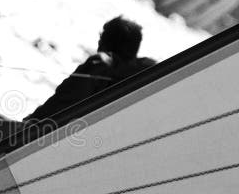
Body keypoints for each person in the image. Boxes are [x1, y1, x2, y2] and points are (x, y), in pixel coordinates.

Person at [24, 16, 156, 127]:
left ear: (107, 41)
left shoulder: (99, 65)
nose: (99, 40)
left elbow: (64, 100)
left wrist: (32, 122)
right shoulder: (144, 78)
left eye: (102, 36)